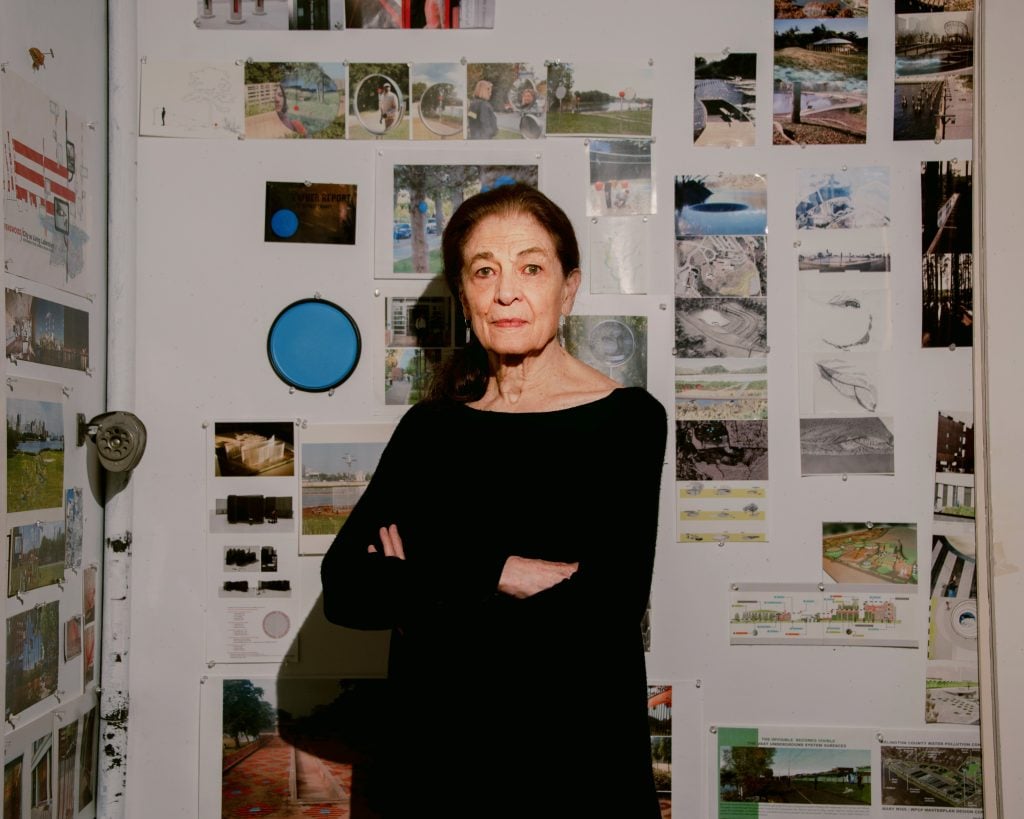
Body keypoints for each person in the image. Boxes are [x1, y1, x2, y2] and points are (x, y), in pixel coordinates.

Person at [321, 183, 667, 817]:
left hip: (574, 774)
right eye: (486, 271)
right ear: (465, 295)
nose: (507, 291)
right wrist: (500, 573)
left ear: (568, 287)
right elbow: (346, 587)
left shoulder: (627, 421)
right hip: (437, 773)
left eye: (531, 268)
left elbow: (602, 613)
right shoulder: (429, 431)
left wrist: (420, 585)